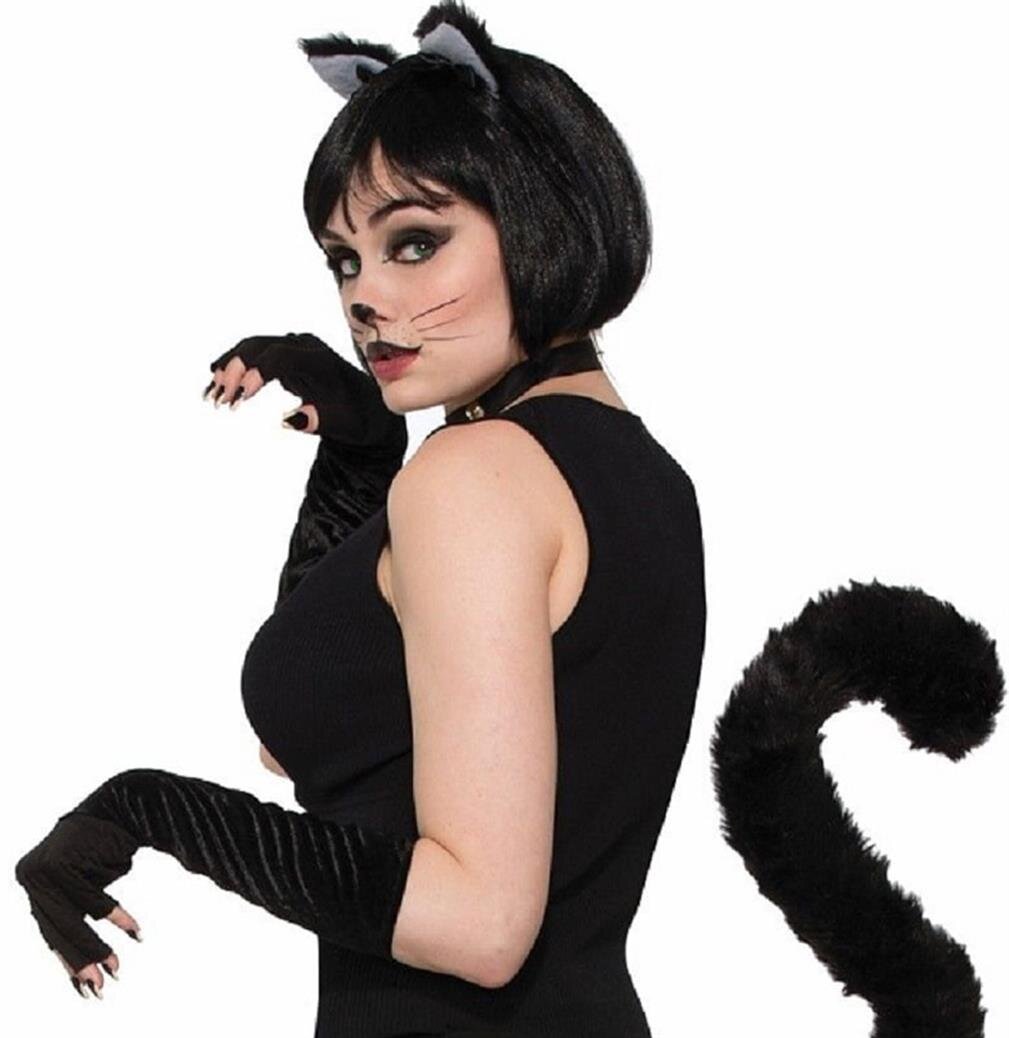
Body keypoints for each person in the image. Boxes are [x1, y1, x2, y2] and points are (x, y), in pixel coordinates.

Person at [14, 3, 706, 1035]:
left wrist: (148, 808)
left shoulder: (471, 478)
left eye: (415, 243)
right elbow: (330, 751)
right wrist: (359, 458)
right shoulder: (641, 477)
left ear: (542, 221)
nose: (366, 296)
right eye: (344, 259)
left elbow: (479, 925)